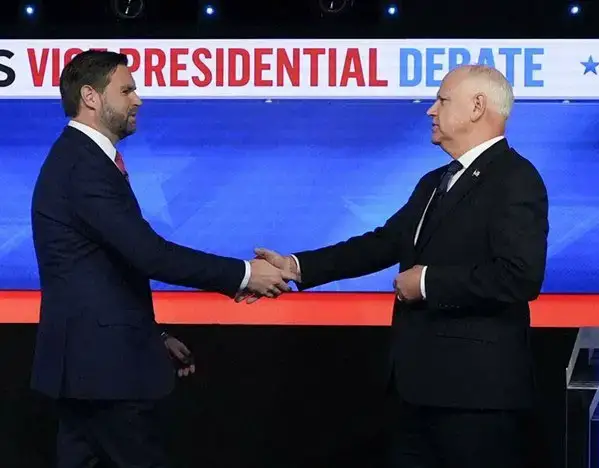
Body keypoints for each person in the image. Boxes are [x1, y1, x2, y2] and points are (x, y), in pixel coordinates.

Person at [245, 65, 549, 468]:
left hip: (476, 398)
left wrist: (427, 282)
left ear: (478, 107)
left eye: (441, 100)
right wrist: (299, 267)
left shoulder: (516, 178)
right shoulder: (433, 181)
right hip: (415, 391)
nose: (430, 111)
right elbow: (383, 243)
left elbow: (519, 275)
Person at [30, 50, 295, 468]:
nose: (138, 99)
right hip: (104, 373)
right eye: (127, 89)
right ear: (91, 96)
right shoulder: (82, 165)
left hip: (90, 368)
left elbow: (105, 272)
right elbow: (148, 253)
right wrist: (244, 275)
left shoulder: (82, 159)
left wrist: (152, 337)